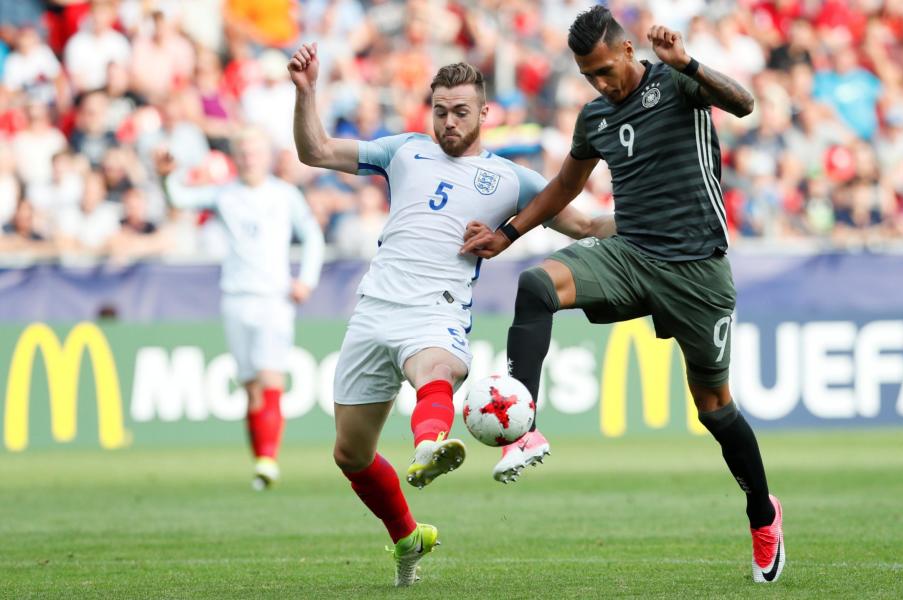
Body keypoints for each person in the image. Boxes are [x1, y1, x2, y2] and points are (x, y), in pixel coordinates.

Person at [460, 7, 785, 585]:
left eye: (607, 71)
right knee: (537, 285)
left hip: (696, 273)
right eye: (590, 77)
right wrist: (508, 234)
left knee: (714, 408)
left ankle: (763, 513)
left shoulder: (676, 80)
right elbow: (565, 185)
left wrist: (689, 61)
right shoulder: (595, 117)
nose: (602, 84)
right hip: (630, 255)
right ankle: (523, 425)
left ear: (629, 49)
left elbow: (744, 104)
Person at [288, 43, 612, 587]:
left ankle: (430, 446)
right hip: (375, 308)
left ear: (485, 113)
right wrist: (306, 92)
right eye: (440, 110)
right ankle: (408, 535)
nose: (448, 121)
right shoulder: (403, 150)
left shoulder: (512, 180)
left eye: (460, 111)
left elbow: (584, 226)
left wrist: (658, 217)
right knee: (350, 453)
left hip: (435, 310)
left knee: (433, 371)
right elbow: (315, 151)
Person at [156, 127, 324, 491]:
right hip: (235, 298)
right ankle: (261, 462)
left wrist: (306, 280)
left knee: (270, 377)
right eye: (243, 151)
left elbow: (312, 236)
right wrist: (165, 177)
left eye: (255, 151)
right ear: (235, 156)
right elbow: (180, 199)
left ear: (266, 156)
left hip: (273, 299)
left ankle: (269, 460)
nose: (249, 157)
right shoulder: (224, 195)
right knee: (251, 387)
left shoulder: (285, 195)